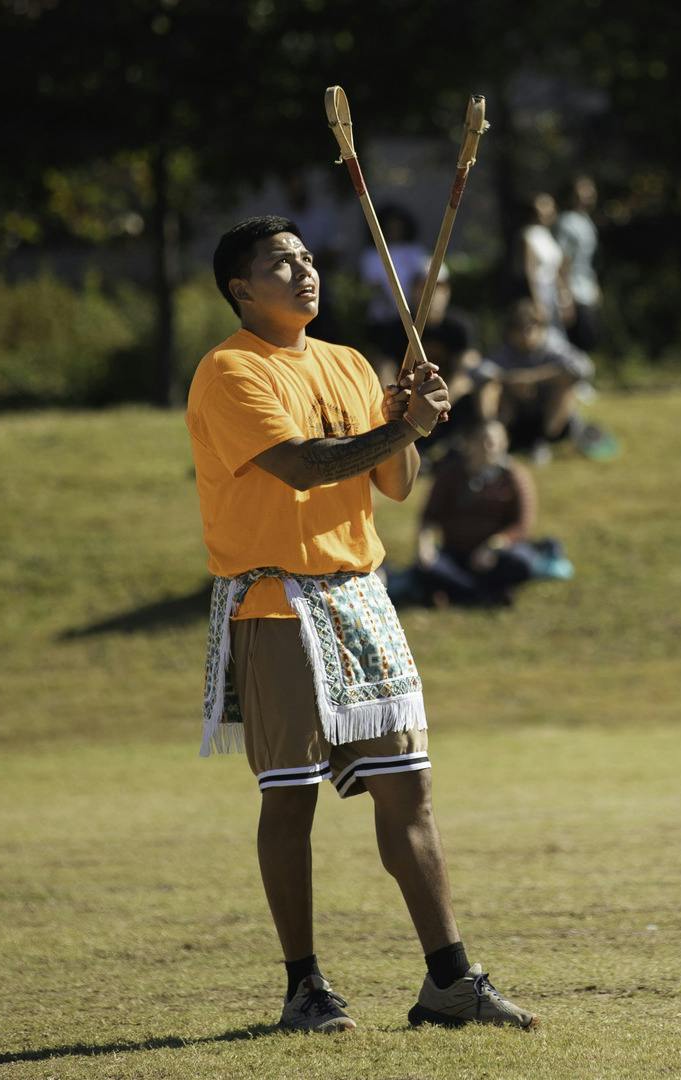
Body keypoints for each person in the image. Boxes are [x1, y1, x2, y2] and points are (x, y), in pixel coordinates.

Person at [184, 215, 534, 1034]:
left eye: (307, 257)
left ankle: (449, 981)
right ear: (242, 288)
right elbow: (302, 468)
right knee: (291, 797)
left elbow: (396, 482)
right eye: (282, 263)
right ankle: (304, 986)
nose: (305, 271)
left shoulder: (346, 363)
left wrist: (408, 417)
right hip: (274, 600)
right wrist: (400, 426)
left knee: (409, 789)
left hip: (360, 595)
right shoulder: (230, 372)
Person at [406, 419, 562, 608]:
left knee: (521, 563)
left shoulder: (514, 476)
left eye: (495, 442)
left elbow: (522, 525)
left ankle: (460, 592)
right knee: (426, 567)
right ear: (469, 444)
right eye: (483, 440)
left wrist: (494, 545)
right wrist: (425, 545)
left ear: (504, 444)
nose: (489, 447)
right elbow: (429, 517)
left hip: (495, 554)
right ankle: (482, 594)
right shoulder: (450, 473)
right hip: (456, 552)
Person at [374, 265, 494, 453]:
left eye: (438, 287)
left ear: (447, 292)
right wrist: (397, 402)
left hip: (448, 404)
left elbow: (466, 373)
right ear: (413, 291)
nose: (431, 293)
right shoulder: (398, 328)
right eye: (423, 286)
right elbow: (385, 370)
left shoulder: (459, 326)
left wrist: (435, 406)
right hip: (408, 407)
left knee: (485, 383)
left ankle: (483, 441)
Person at [485, 299, 615, 463]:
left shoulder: (552, 345)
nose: (525, 336)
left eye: (529, 329)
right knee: (490, 387)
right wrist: (511, 380)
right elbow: (481, 372)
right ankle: (489, 435)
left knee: (566, 384)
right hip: (516, 414)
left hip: (551, 416)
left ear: (539, 327)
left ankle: (542, 441)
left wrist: (534, 378)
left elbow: (584, 368)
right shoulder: (506, 350)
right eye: (518, 330)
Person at [357, 204, 430, 383]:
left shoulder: (416, 252)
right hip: (384, 320)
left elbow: (427, 277)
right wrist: (394, 306)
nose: (394, 230)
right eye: (390, 226)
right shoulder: (371, 255)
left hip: (413, 319)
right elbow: (373, 285)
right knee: (386, 363)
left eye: (398, 225)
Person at [554, 175, 603, 353]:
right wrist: (565, 294)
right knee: (578, 342)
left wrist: (595, 286)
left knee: (591, 339)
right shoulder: (567, 222)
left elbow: (589, 261)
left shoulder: (587, 221)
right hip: (574, 291)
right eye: (583, 190)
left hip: (587, 289)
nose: (589, 194)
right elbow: (562, 260)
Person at [519, 192, 570, 330]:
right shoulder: (530, 235)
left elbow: (555, 269)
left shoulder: (547, 235)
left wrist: (564, 296)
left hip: (553, 293)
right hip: (540, 292)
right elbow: (530, 271)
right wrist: (537, 303)